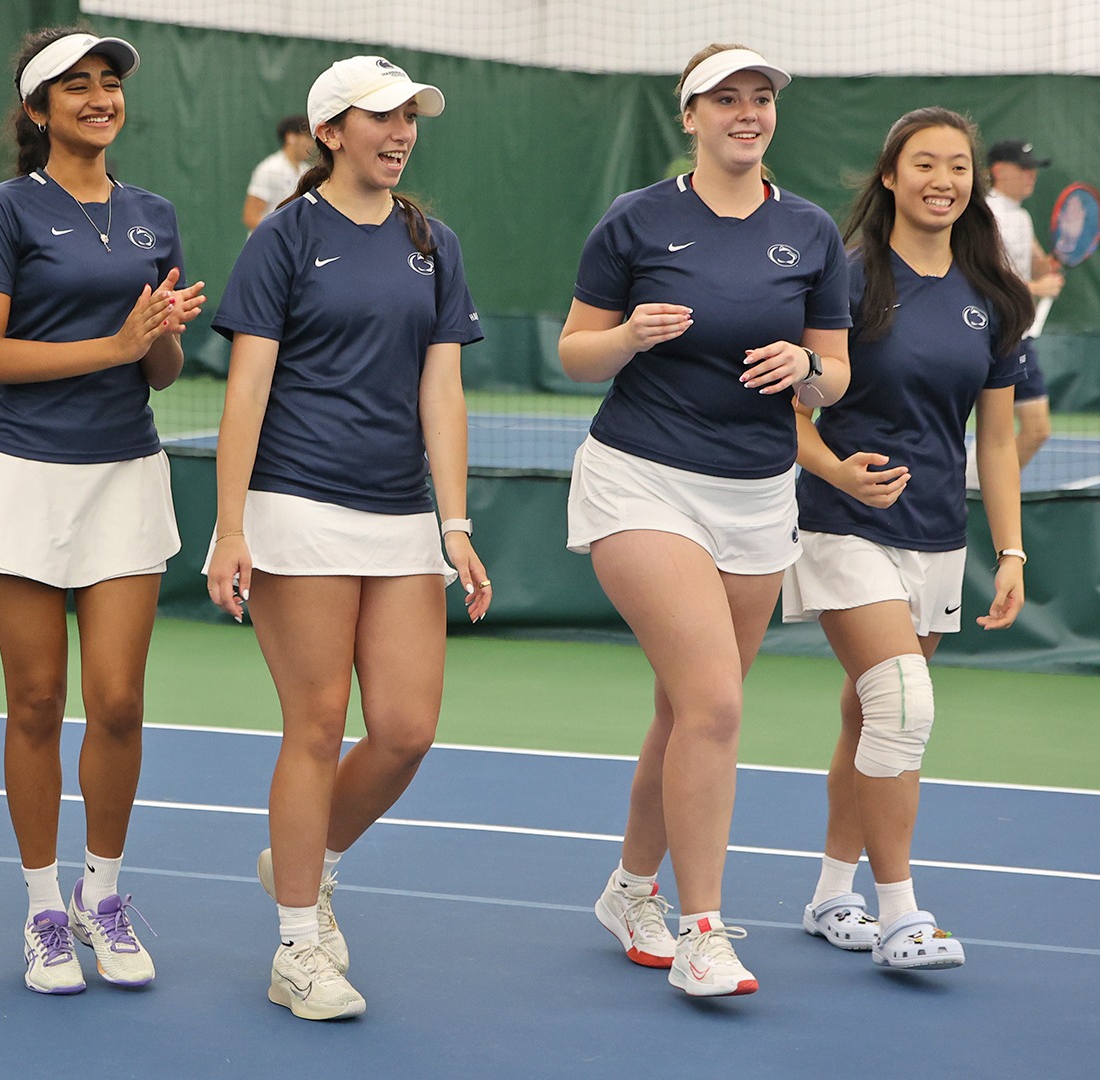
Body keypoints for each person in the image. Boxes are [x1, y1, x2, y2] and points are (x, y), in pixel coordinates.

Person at [556, 44, 852, 997]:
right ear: (690, 115)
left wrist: (807, 371)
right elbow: (575, 351)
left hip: (759, 495)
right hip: (640, 481)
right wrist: (626, 335)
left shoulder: (810, 231)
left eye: (761, 98)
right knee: (717, 705)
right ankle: (704, 932)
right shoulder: (637, 219)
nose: (747, 112)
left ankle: (630, 890)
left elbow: (836, 373)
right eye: (726, 98)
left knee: (685, 710)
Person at [206, 55, 489, 1022]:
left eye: (410, 118)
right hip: (297, 506)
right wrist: (230, 526)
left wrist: (454, 523)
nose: (402, 133)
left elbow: (441, 389)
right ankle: (295, 945)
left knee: (406, 729)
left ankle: (308, 860)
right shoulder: (284, 238)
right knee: (318, 724)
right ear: (330, 133)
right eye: (382, 117)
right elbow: (246, 389)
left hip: (400, 515)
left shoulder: (433, 243)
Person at [0, 27, 205, 995]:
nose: (101, 98)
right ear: (37, 109)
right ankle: (42, 910)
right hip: (23, 472)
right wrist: (113, 346)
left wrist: (158, 336)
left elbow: (160, 370)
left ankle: (103, 896)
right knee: (34, 701)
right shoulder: (3, 210)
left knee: (120, 700)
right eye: (78, 86)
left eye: (110, 84)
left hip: (123, 474)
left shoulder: (153, 215)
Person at [786, 107, 1029, 972]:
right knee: (901, 705)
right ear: (889, 176)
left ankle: (830, 896)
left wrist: (1011, 551)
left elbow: (995, 440)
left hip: (937, 538)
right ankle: (901, 916)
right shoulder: (846, 281)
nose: (943, 180)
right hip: (843, 525)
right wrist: (836, 471)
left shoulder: (996, 297)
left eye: (958, 166)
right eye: (924, 163)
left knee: (870, 715)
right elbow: (790, 414)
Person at [985, 139, 1063, 469]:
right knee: (987, 431)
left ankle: (977, 487)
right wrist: (1037, 287)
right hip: (984, 333)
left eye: (1034, 169)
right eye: (1024, 168)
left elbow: (1037, 263)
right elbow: (985, 279)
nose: (1031, 175)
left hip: (1017, 335)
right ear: (999, 170)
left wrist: (1054, 262)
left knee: (1036, 429)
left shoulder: (1022, 217)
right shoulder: (985, 215)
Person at [241, 115, 313, 232]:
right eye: (307, 138)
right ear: (291, 137)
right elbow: (250, 216)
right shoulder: (269, 169)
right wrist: (278, 236)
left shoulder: (307, 171)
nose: (311, 144)